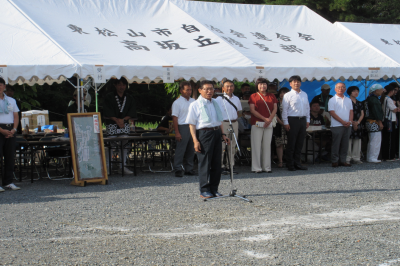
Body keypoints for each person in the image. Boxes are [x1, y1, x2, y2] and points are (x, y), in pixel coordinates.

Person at [186, 80, 230, 199]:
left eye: (211, 89)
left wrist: (223, 134)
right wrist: (195, 140)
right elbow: (192, 124)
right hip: (204, 133)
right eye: (206, 89)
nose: (209, 91)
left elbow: (219, 120)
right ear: (200, 90)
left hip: (216, 132)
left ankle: (214, 188)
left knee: (217, 162)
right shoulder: (195, 104)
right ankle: (204, 190)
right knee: (205, 162)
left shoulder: (216, 103)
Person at [103, 77, 137, 174]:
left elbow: (132, 110)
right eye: (119, 85)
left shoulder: (129, 97)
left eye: (123, 85)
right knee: (111, 145)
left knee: (125, 144)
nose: (122, 87)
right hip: (112, 123)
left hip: (124, 124)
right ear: (115, 85)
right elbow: (107, 110)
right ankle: (108, 167)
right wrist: (116, 120)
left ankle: (123, 166)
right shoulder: (109, 96)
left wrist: (123, 120)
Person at [248, 78, 277, 173]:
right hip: (257, 123)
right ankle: (256, 167)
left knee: (267, 145)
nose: (262, 86)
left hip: (268, 123)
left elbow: (275, 109)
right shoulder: (253, 96)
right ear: (257, 85)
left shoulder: (272, 96)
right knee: (256, 145)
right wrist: (265, 119)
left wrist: (269, 119)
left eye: (264, 84)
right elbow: (252, 110)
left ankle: (267, 167)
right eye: (260, 84)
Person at [282, 75, 310, 171]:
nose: (296, 83)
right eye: (294, 82)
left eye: (298, 81)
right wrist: (285, 122)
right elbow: (284, 110)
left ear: (300, 83)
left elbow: (307, 108)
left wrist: (308, 120)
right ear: (290, 84)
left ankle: (298, 163)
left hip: (302, 119)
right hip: (292, 120)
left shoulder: (304, 94)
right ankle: (290, 164)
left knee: (300, 143)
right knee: (291, 143)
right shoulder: (287, 95)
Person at [215, 80, 242, 174]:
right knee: (222, 145)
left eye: (231, 86)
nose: (229, 88)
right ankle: (221, 166)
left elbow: (238, 112)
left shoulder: (237, 99)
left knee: (233, 145)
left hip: (234, 122)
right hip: (224, 123)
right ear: (223, 88)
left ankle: (230, 165)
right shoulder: (218, 99)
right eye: (227, 86)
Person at [171, 81, 196, 177]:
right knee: (181, 149)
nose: (189, 92)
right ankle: (177, 168)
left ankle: (189, 168)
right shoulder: (177, 103)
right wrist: (177, 132)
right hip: (183, 126)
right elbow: (174, 118)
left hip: (192, 125)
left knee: (191, 148)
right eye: (187, 90)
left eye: (190, 90)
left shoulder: (193, 101)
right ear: (181, 90)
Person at [0, 78, 20, 192]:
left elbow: (16, 116)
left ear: (4, 86)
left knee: (9, 156)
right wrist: (1, 130)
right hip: (0, 128)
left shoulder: (11, 100)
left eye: (1, 85)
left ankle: (8, 182)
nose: (0, 87)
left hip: (10, 128)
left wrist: (13, 129)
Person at [328, 83, 353, 167]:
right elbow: (332, 113)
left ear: (345, 89)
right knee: (336, 143)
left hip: (347, 125)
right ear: (335, 89)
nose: (341, 89)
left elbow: (351, 111)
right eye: (339, 87)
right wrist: (342, 122)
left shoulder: (348, 100)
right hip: (337, 125)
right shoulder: (332, 100)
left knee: (345, 144)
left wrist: (350, 121)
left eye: (343, 87)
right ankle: (335, 160)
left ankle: (343, 160)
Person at [365, 84, 384, 163]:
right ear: (376, 91)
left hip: (369, 121)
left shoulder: (370, 98)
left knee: (372, 140)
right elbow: (376, 112)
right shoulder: (374, 100)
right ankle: (373, 157)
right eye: (381, 89)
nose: (382, 91)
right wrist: (380, 122)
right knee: (375, 140)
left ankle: (370, 157)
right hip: (374, 122)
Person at [380, 84, 399, 160]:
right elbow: (394, 109)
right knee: (390, 139)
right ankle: (390, 156)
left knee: (386, 139)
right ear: (391, 91)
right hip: (390, 121)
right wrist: (396, 105)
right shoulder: (389, 99)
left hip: (386, 120)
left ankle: (386, 156)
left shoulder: (384, 98)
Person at [346, 86, 364, 164]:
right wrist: (352, 122)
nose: (356, 92)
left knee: (357, 141)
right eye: (354, 91)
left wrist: (358, 122)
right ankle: (348, 157)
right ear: (350, 92)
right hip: (349, 123)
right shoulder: (346, 101)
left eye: (357, 91)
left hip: (358, 122)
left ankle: (356, 157)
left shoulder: (360, 103)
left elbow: (362, 114)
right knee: (348, 140)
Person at [274, 87, 290, 168]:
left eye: (284, 93)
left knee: (289, 144)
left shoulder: (291, 103)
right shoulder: (276, 103)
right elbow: (275, 115)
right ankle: (280, 161)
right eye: (280, 92)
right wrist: (282, 123)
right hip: (279, 126)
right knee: (279, 143)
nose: (282, 94)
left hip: (289, 125)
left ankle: (289, 160)